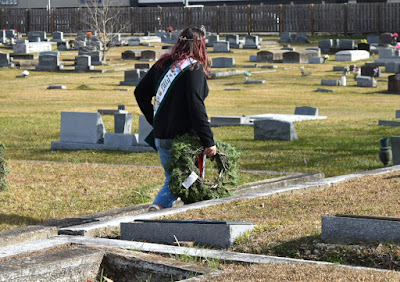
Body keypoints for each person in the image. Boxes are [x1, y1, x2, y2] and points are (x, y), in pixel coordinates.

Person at [134, 26, 216, 211]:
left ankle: (192, 211)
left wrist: (154, 119)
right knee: (179, 178)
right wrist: (208, 141)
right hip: (184, 138)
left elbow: (140, 92)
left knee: (187, 178)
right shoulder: (193, 68)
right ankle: (158, 207)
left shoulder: (163, 64)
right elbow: (196, 107)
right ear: (200, 45)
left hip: (162, 135)